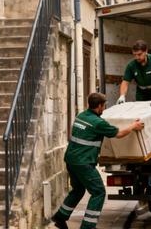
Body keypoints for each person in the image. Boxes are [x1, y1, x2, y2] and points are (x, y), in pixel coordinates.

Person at [51, 93, 145, 229]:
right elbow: (118, 134)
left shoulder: (81, 116)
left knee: (78, 190)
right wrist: (133, 126)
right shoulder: (98, 123)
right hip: (83, 163)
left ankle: (60, 217)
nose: (104, 108)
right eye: (104, 106)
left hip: (71, 160)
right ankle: (88, 226)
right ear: (100, 106)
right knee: (98, 192)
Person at [117, 40, 151, 106]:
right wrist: (122, 96)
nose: (137, 57)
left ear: (146, 51)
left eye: (139, 54)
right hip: (141, 93)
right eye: (134, 55)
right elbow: (125, 82)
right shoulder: (131, 65)